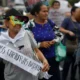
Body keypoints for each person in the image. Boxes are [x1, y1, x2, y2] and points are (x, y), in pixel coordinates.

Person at [0, 8, 49, 80]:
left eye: (20, 21)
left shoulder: (27, 34)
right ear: (7, 23)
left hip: (31, 77)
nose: (18, 23)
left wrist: (44, 60)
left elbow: (36, 50)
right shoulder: (2, 40)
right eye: (15, 20)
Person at [26, 2, 64, 80]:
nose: (46, 13)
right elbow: (26, 42)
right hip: (37, 60)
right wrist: (40, 45)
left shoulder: (50, 22)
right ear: (36, 13)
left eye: (47, 11)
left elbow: (60, 34)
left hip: (53, 58)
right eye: (44, 11)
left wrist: (54, 41)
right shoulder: (30, 25)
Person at [59, 6, 80, 80]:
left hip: (78, 45)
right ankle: (64, 77)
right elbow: (61, 29)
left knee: (75, 63)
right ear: (73, 12)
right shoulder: (67, 20)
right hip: (69, 45)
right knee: (67, 63)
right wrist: (68, 31)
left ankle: (73, 77)